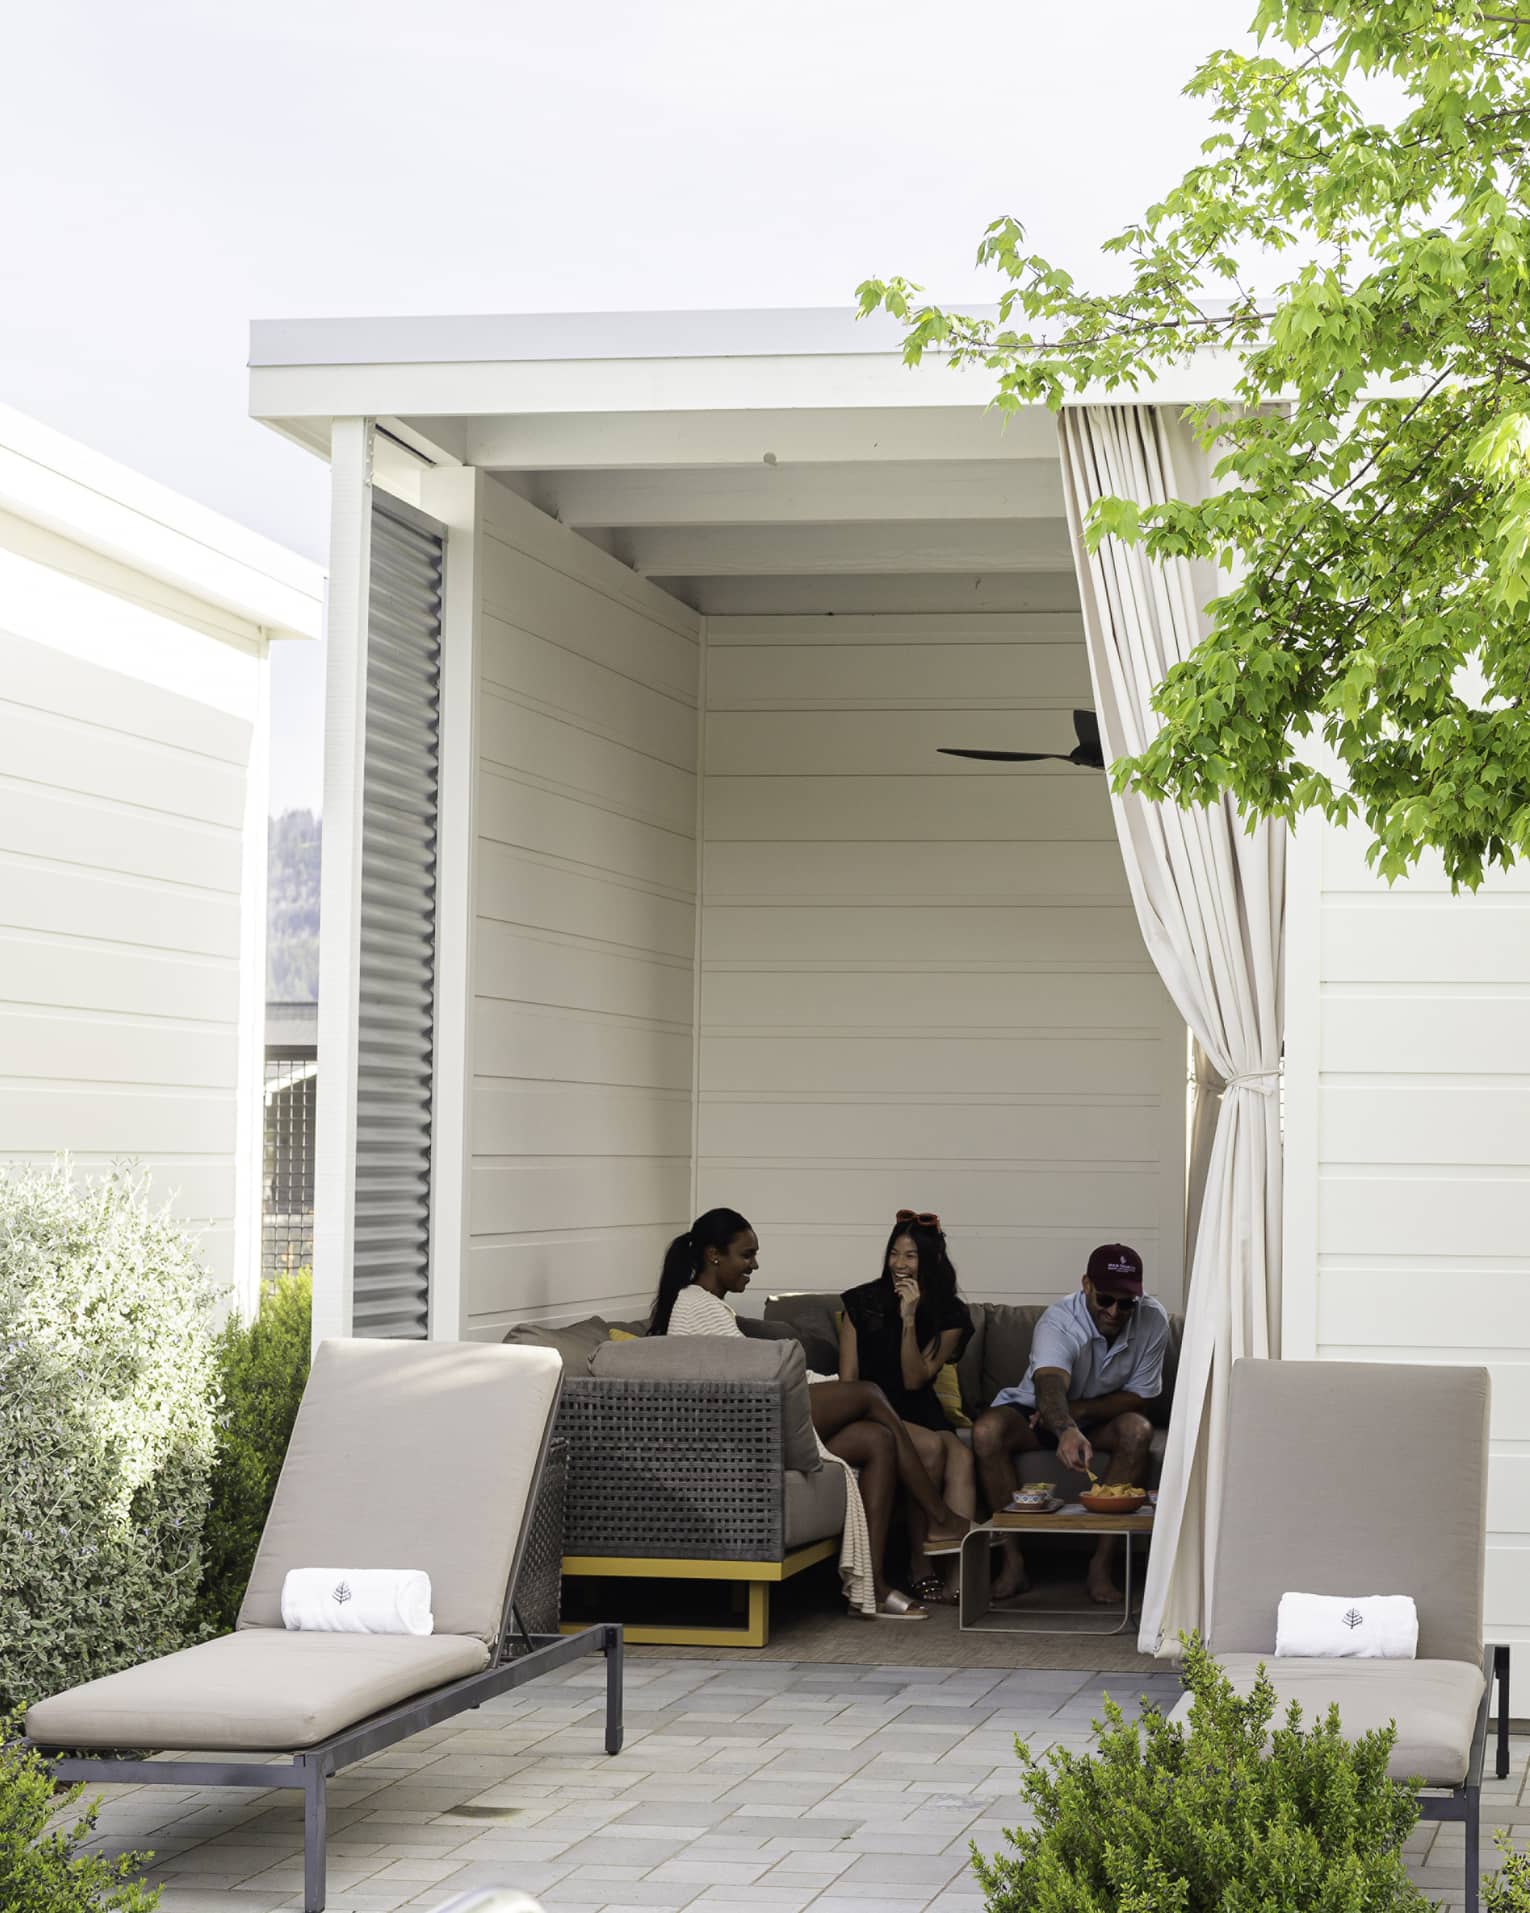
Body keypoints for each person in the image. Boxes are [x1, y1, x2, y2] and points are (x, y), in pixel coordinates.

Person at [649, 1207, 970, 1620]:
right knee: (870, 1394)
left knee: (878, 1439)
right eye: (746, 1255)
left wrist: (828, 1382)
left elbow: (759, 1372)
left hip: (764, 1414)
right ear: (714, 1255)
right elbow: (759, 1382)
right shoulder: (696, 1307)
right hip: (752, 1428)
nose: (754, 1264)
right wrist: (835, 1386)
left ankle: (870, 1588)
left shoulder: (709, 1306)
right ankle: (940, 1518)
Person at [970, 1243, 1167, 1606]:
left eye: (1126, 1303)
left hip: (1092, 1417)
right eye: (1105, 1298)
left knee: (1137, 1430)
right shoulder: (1059, 1320)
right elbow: (1048, 1383)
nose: (1114, 1311)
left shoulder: (1153, 1319)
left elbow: (1140, 1398)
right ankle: (1013, 1562)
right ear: (1086, 1285)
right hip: (1035, 1412)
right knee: (986, 1431)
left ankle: (1102, 1566)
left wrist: (1078, 1413)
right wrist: (1063, 1427)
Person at [838, 1210, 977, 1603]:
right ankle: (921, 1564)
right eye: (894, 1253)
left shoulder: (951, 1313)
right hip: (872, 1406)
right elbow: (848, 1382)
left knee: (961, 1456)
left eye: (911, 1255)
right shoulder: (860, 1302)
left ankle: (958, 1574)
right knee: (933, 1448)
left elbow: (916, 1379)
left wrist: (910, 1319)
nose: (899, 1264)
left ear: (930, 1259)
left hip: (918, 1404)